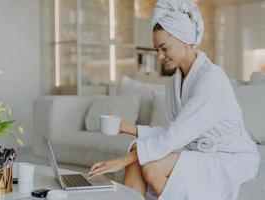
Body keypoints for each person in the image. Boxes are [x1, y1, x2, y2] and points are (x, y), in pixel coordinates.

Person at [88, 0, 260, 199]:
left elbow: (176, 135)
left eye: (164, 48)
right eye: (156, 49)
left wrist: (122, 160)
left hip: (230, 157)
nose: (159, 56)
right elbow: (175, 132)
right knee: (139, 150)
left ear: (184, 40)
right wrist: (125, 127)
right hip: (200, 153)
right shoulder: (173, 84)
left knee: (151, 166)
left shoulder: (212, 78)